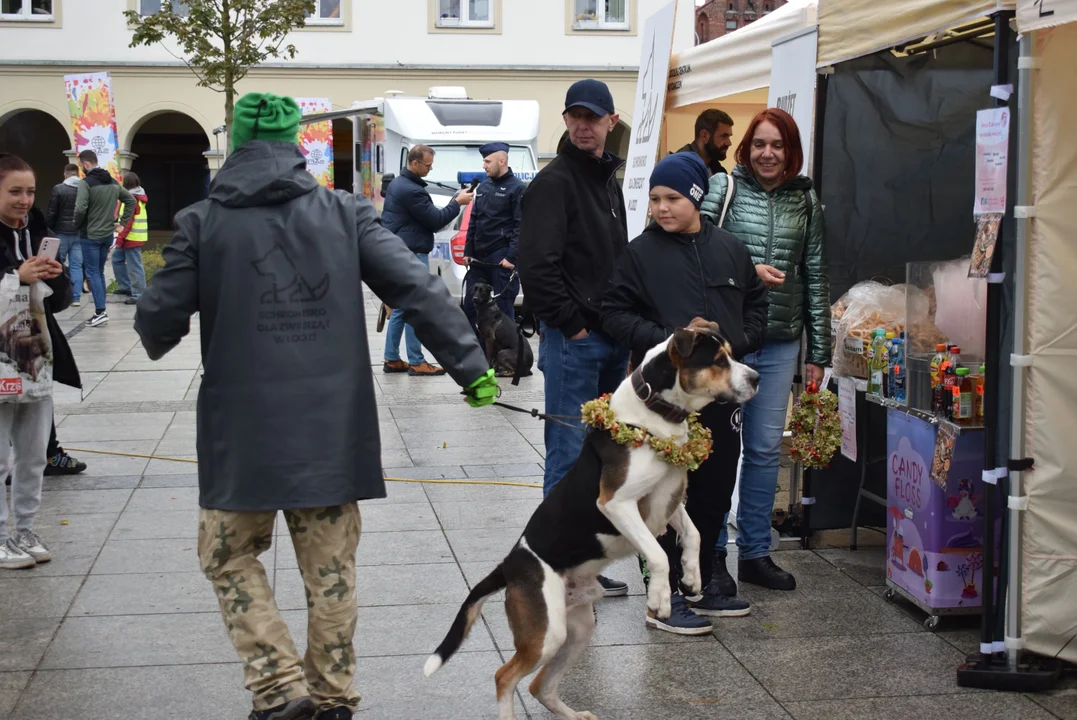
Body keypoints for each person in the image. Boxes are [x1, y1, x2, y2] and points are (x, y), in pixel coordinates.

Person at [133, 92, 497, 720]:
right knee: (330, 569)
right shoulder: (345, 212)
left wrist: (166, 322)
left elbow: (158, 322)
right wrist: (472, 368)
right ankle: (330, 699)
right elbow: (415, 287)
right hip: (331, 428)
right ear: (295, 148)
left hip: (240, 433)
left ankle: (277, 688)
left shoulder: (200, 221)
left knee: (225, 553)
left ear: (237, 145)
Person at [602, 152, 766, 634]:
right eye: (654, 199)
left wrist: (744, 338)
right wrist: (668, 339)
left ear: (695, 198)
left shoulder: (731, 248)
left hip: (718, 399)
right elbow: (614, 314)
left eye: (671, 198)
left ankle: (703, 579)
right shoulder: (639, 254)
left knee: (715, 485)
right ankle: (665, 595)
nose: (660, 208)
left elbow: (757, 303)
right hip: (664, 403)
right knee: (662, 493)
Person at [700, 107, 830, 593]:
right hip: (727, 344)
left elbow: (815, 274)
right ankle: (711, 551)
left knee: (762, 451)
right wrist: (748, 267)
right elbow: (697, 249)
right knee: (715, 450)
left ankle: (755, 552)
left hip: (779, 344)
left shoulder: (806, 200)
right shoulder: (724, 188)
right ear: (746, 148)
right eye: (759, 144)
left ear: (790, 150)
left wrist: (819, 349)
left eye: (777, 145)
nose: (767, 153)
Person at [517, 78, 631, 598]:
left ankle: (581, 561)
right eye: (575, 117)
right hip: (576, 340)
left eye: (594, 117)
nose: (583, 126)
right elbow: (536, 266)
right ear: (565, 121)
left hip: (609, 337)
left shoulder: (607, 181)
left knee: (597, 458)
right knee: (567, 454)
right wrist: (571, 322)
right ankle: (557, 568)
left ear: (611, 121)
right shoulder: (555, 181)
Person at [0, 153, 81, 569]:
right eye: (15, 191)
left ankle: (24, 529)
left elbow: (62, 301)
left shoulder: (36, 230)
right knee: (0, 457)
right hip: (1, 360)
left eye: (30, 191)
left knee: (34, 454)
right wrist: (18, 277)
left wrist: (54, 275)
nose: (24, 200)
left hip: (36, 358)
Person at [380, 144, 473, 376]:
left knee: (402, 307)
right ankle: (416, 361)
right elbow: (434, 220)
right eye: (428, 165)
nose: (431, 169)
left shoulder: (399, 185)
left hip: (399, 251)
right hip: (411, 253)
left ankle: (391, 358)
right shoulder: (412, 190)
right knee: (416, 308)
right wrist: (457, 203)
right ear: (414, 163)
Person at [462, 142, 524, 335]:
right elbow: (474, 220)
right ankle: (481, 362)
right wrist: (468, 251)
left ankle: (507, 362)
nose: (484, 165)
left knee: (502, 313)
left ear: (502, 160)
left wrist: (511, 257)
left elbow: (520, 225)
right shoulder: (483, 187)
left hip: (501, 260)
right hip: (479, 261)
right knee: (471, 310)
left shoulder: (517, 188)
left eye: (488, 161)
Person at [72, 150, 135, 328]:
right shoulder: (113, 182)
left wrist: (76, 224)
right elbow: (130, 200)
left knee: (93, 273)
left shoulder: (86, 183)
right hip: (107, 234)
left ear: (85, 164)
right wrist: (120, 223)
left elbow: (80, 208)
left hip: (90, 234)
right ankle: (100, 311)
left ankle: (100, 312)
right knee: (97, 273)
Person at [45, 163, 84, 306]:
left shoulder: (59, 189)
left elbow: (52, 212)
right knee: (77, 265)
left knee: (57, 263)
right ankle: (76, 298)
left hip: (61, 232)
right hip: (79, 232)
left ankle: (59, 294)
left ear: (65, 174)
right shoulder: (85, 189)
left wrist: (48, 229)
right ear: (77, 174)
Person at [112, 171, 148, 306]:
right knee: (117, 259)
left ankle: (139, 294)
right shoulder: (136, 196)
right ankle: (125, 286)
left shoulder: (131, 199)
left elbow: (128, 222)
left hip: (131, 237)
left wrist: (120, 239)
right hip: (132, 236)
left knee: (134, 266)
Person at [674, 108, 735, 176]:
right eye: (724, 136)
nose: (729, 143)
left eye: (729, 137)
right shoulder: (679, 167)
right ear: (704, 135)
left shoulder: (717, 170)